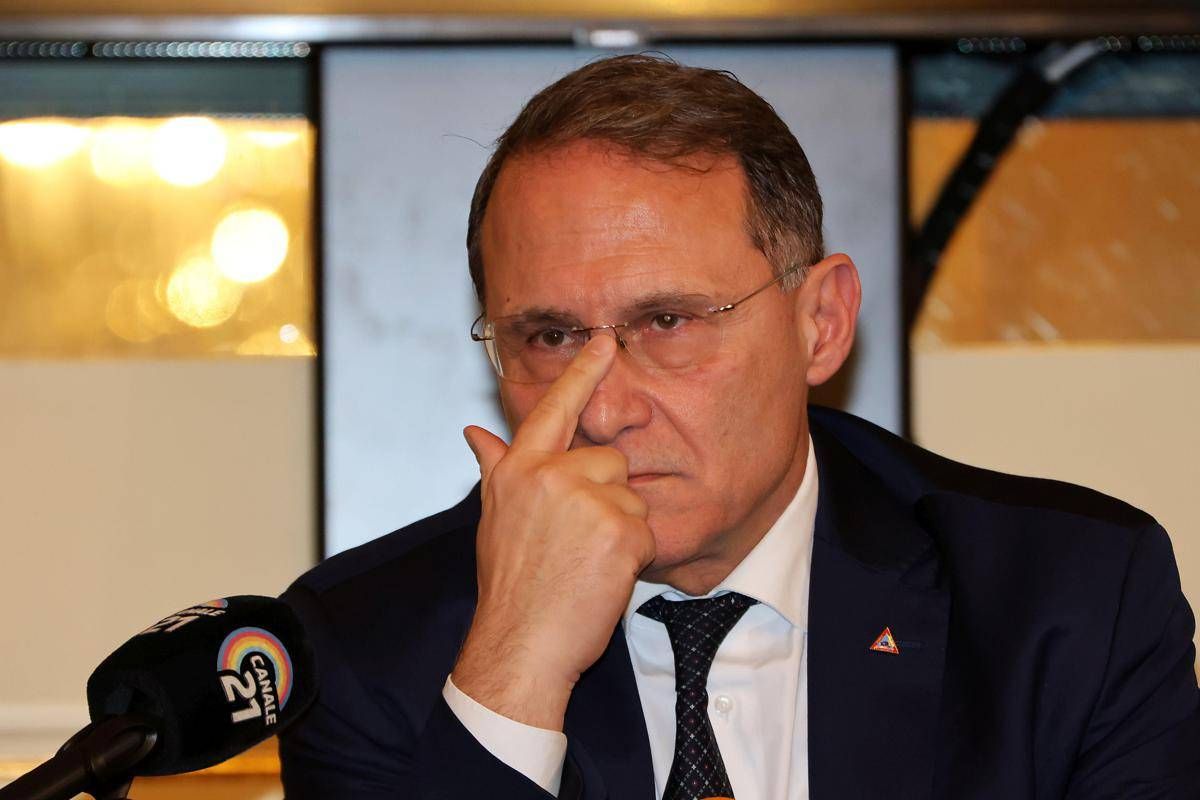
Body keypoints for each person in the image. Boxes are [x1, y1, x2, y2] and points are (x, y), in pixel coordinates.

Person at [278, 54, 1200, 799]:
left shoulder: (1067, 603)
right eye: (551, 337)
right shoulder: (360, 646)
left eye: (668, 322)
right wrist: (515, 666)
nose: (605, 407)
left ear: (820, 323)